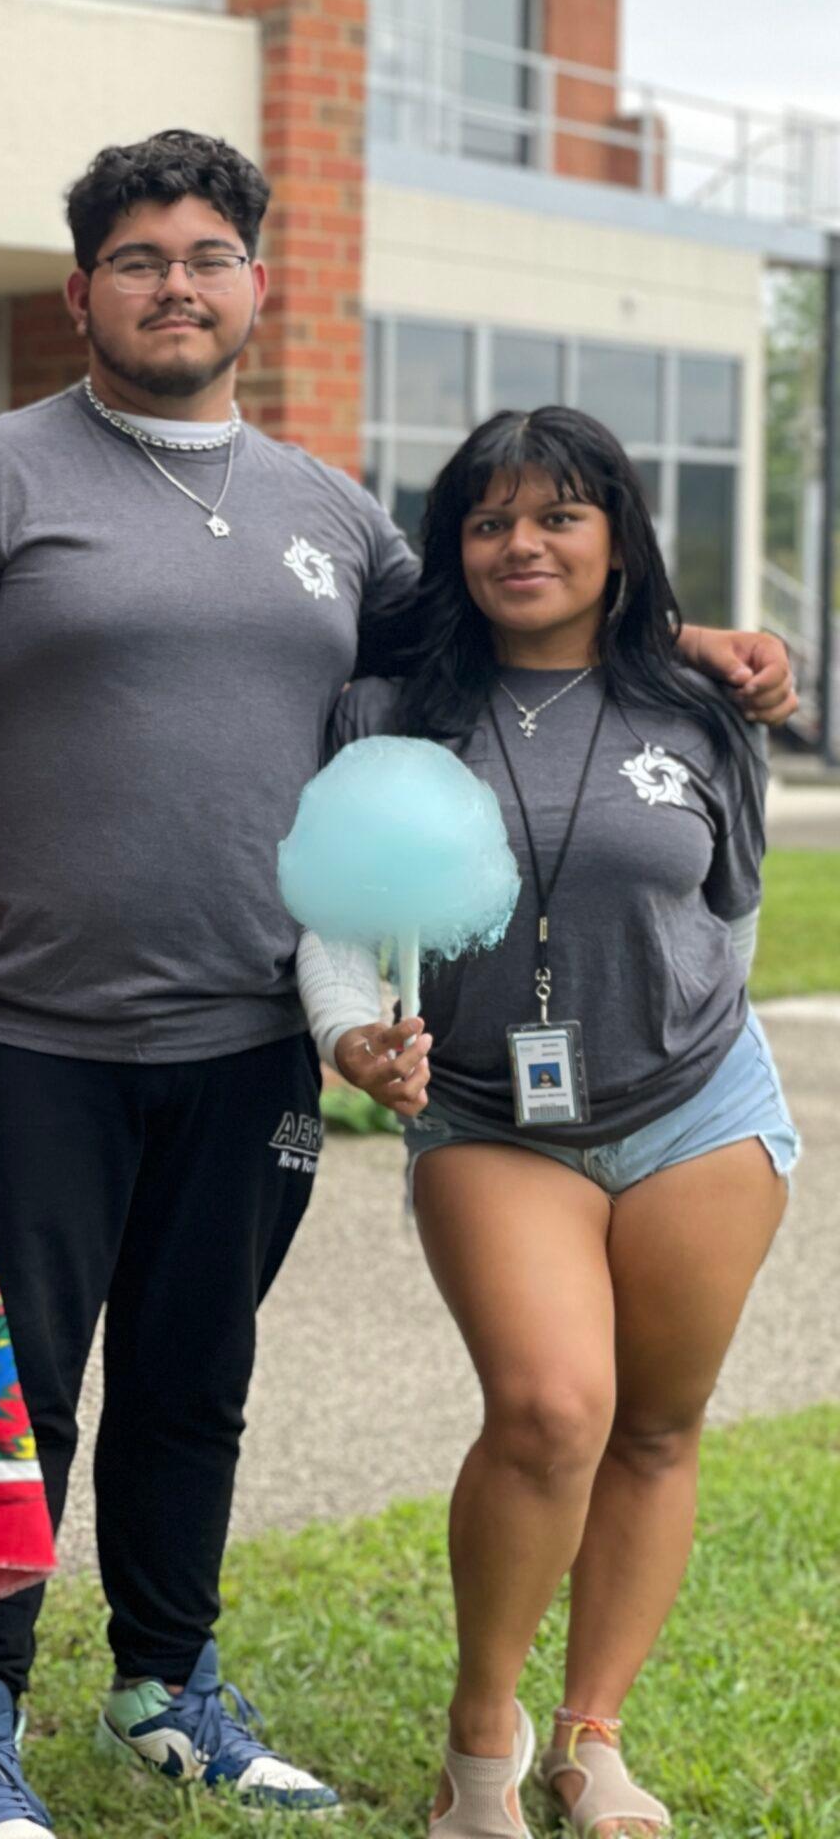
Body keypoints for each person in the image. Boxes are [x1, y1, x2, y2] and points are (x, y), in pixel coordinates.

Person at [0, 128, 795, 1839]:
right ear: (81, 292)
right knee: (14, 1390)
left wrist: (688, 639)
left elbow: (517, 611)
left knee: (196, 1376)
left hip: (250, 1036)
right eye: (140, 260)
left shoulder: (329, 513)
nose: (176, 286)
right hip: (28, 1036)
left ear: (257, 288)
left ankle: (167, 1686)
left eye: (207, 256)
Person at [308, 408, 790, 1839]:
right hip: (489, 1116)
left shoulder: (704, 707)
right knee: (549, 1410)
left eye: (559, 515)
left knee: (657, 1425)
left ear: (617, 540)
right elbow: (332, 923)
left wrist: (671, 1033)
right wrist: (347, 1035)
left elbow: (731, 912)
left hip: (699, 1106)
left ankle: (591, 1740)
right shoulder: (391, 715)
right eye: (490, 520)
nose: (522, 544)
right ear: (454, 547)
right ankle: (481, 1746)